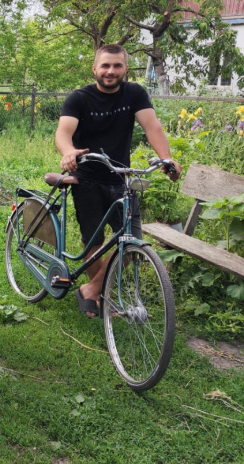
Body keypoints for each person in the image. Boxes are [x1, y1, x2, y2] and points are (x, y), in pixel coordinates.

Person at [55, 43, 182, 318]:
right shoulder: (79, 98)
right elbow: (63, 132)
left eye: (117, 66)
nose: (110, 71)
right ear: (95, 69)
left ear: (125, 68)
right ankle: (99, 296)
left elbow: (153, 127)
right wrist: (68, 152)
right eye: (105, 66)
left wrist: (167, 159)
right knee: (94, 241)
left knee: (132, 243)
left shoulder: (134, 93)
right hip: (87, 178)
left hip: (121, 177)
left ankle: (91, 290)